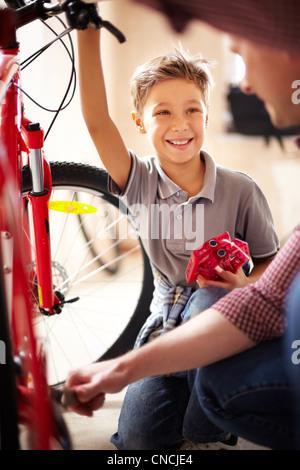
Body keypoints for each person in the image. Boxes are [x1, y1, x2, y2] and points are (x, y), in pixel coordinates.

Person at [63, 0, 300, 450]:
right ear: (139, 123)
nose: (181, 124)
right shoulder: (138, 181)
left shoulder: (241, 190)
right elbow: (96, 121)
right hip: (163, 323)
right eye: (163, 112)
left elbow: (272, 268)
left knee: (205, 301)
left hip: (220, 312)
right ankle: (189, 407)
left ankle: (206, 424)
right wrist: (86, 29)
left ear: (207, 117)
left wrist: (243, 281)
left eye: (193, 110)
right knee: (137, 442)